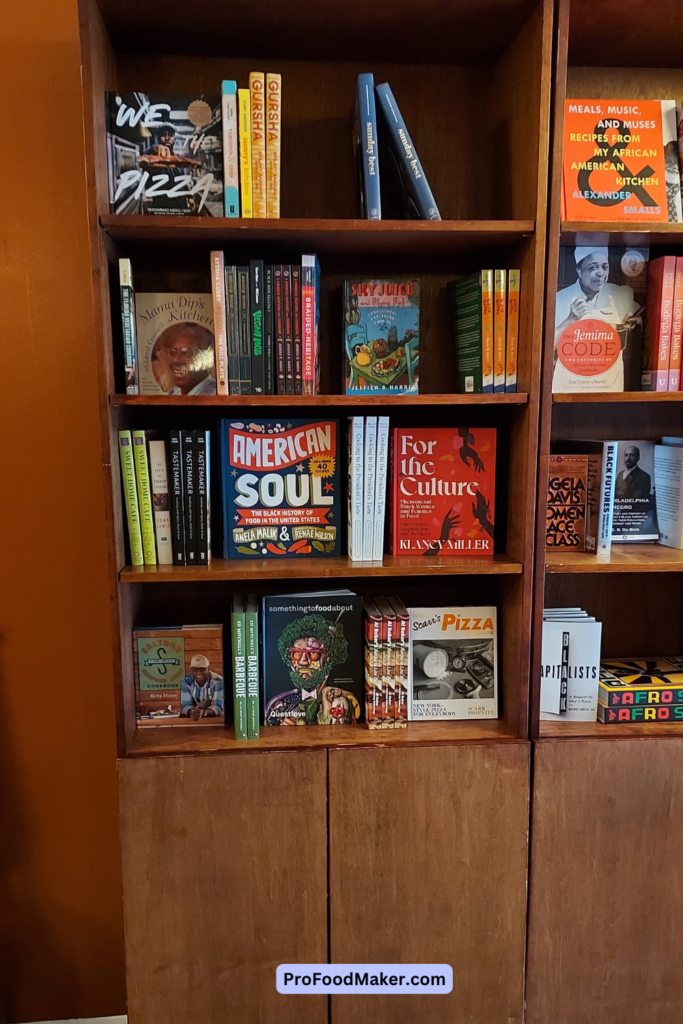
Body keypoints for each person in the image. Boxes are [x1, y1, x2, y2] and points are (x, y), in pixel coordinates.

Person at [553, 246, 639, 391]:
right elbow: (547, 349)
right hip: (569, 390)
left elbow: (643, 318)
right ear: (579, 271)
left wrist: (635, 322)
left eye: (605, 267)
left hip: (610, 388)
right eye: (593, 268)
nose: (601, 273)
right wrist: (571, 319)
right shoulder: (560, 299)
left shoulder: (620, 295)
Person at [265, 613, 360, 726]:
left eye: (313, 654)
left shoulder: (343, 701)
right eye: (297, 653)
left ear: (328, 658)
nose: (303, 661)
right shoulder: (277, 704)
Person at [151, 322, 216, 395]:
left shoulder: (213, 394)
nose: (176, 360)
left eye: (186, 353)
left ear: (206, 359)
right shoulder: (173, 393)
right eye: (173, 352)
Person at [180, 654, 224, 721]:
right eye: (195, 669)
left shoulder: (218, 681)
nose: (199, 673)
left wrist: (203, 713)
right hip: (195, 719)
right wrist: (192, 712)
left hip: (216, 719)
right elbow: (186, 705)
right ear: (191, 670)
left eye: (202, 669)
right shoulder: (186, 682)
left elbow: (218, 706)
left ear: (208, 669)